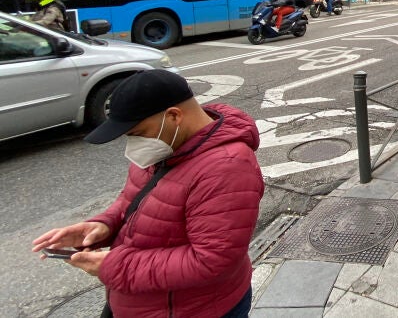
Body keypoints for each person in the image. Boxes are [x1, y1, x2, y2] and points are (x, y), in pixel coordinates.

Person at [32, 70, 264, 318]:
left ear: (173, 116)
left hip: (193, 309)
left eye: (138, 134)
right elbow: (135, 199)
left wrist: (116, 267)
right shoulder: (166, 145)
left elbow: (211, 260)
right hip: (145, 301)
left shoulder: (227, 167)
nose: (133, 145)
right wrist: (103, 226)